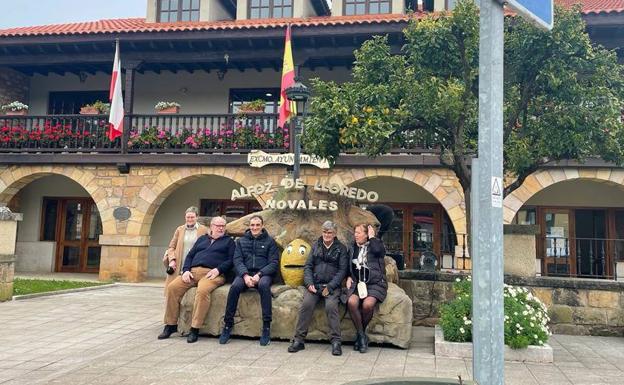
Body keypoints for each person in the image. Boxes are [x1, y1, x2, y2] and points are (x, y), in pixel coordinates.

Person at [158, 216, 235, 343]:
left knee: (203, 290)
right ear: (211, 226)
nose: (221, 228)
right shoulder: (202, 239)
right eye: (218, 225)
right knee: (172, 288)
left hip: (213, 274)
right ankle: (170, 325)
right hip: (192, 272)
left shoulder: (229, 242)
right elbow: (190, 255)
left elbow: (231, 260)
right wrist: (186, 270)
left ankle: (195, 328)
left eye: (223, 226)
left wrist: (218, 270)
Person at [288, 221, 348, 356]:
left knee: (331, 307)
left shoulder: (341, 248)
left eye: (330, 232)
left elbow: (343, 270)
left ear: (335, 233)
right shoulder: (315, 246)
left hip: (332, 287)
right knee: (306, 305)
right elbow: (308, 266)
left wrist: (331, 286)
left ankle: (336, 342)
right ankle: (299, 340)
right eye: (325, 232)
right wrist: (309, 283)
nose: (327, 235)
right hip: (315, 285)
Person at [219, 215, 279, 346]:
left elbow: (274, 263)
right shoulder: (241, 241)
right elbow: (237, 260)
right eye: (252, 225)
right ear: (249, 226)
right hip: (245, 273)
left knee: (264, 286)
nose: (255, 228)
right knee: (235, 287)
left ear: (262, 226)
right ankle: (228, 325)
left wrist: (259, 274)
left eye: (258, 225)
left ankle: (266, 327)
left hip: (263, 274)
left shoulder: (270, 241)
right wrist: (245, 275)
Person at [346, 223, 387, 353]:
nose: (355, 235)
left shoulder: (376, 245)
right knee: (351, 302)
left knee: (368, 305)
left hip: (375, 283)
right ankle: (362, 336)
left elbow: (379, 252)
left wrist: (373, 238)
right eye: (355, 232)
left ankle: (360, 335)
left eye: (359, 232)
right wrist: (348, 276)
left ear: (366, 234)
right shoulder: (352, 248)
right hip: (359, 283)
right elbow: (348, 265)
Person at [162, 206, 209, 290]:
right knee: (173, 289)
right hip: (179, 264)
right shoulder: (179, 229)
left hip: (194, 265)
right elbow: (171, 247)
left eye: (192, 217)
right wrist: (172, 260)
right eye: (188, 217)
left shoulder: (204, 230)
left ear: (197, 217)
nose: (190, 219)